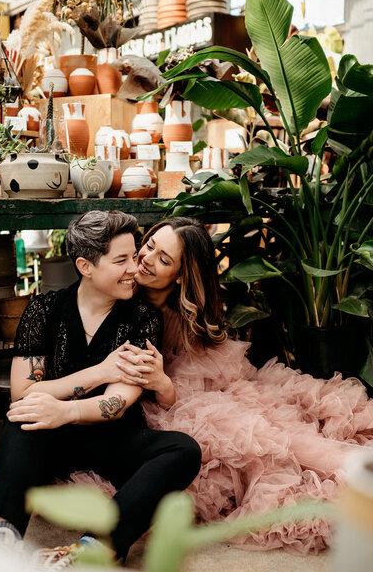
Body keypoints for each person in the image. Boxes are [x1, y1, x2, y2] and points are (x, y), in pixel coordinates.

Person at [105, 217, 373, 555]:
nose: (146, 258)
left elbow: (194, 392)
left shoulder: (183, 319)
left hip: (202, 399)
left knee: (272, 442)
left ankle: (361, 474)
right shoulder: (122, 290)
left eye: (163, 259)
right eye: (149, 246)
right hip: (153, 406)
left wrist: (162, 384)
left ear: (182, 275)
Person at [0, 211, 201, 564]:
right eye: (122, 260)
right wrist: (98, 371)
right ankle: (0, 538)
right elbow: (23, 394)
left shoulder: (142, 317)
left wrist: (65, 408)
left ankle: (95, 549)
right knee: (22, 416)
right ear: (86, 265)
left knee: (183, 450)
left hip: (114, 438)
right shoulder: (43, 310)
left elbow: (118, 401)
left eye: (134, 254)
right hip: (52, 438)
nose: (135, 268)